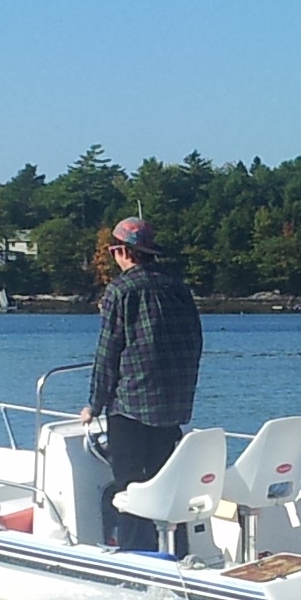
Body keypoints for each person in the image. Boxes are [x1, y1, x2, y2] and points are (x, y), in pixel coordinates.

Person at [79, 217, 203, 551]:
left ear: (121, 251)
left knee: (130, 488)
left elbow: (108, 353)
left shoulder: (121, 290)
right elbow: (195, 343)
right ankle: (177, 552)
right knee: (167, 485)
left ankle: (138, 557)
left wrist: (94, 404)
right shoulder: (179, 288)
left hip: (131, 408)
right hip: (172, 408)